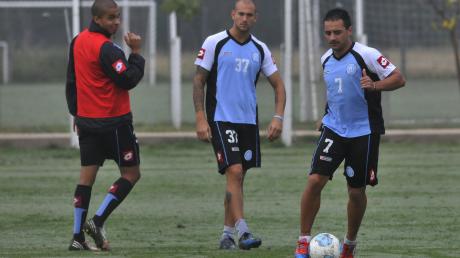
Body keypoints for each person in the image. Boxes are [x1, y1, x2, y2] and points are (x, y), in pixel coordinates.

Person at [294, 8, 405, 258]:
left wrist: (374, 85)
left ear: (349, 31)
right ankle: (302, 241)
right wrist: (325, 114)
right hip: (334, 129)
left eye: (337, 32)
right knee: (314, 181)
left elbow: (399, 78)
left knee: (356, 192)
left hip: (364, 132)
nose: (332, 37)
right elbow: (337, 91)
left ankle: (349, 245)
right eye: (327, 33)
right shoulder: (325, 59)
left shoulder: (367, 55)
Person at [193, 0, 286, 251]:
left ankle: (226, 236)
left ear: (255, 18)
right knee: (234, 172)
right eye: (240, 14)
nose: (244, 18)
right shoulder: (215, 42)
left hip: (248, 122)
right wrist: (201, 117)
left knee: (237, 178)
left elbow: (278, 85)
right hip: (221, 118)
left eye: (249, 15)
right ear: (233, 15)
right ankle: (244, 232)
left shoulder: (260, 49)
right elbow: (199, 80)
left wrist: (278, 117)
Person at [65, 0, 145, 251]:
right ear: (97, 19)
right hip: (115, 123)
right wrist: (136, 53)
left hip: (87, 122)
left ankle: (78, 237)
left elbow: (71, 81)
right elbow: (128, 79)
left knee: (86, 178)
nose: (116, 22)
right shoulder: (108, 49)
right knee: (131, 174)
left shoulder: (78, 41)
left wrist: (76, 114)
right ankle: (97, 221)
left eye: (118, 17)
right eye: (111, 18)